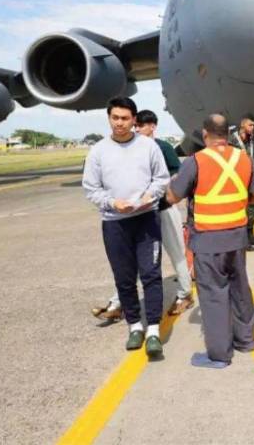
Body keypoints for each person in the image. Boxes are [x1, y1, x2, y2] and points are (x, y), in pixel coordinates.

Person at [166, 113, 254, 368]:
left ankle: (220, 355)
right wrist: (237, 202)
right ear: (226, 133)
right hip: (236, 237)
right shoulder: (242, 157)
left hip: (209, 240)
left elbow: (173, 197)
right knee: (240, 289)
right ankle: (246, 341)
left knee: (213, 296)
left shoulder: (196, 160)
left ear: (205, 133)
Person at [82, 97, 170, 357]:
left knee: (151, 274)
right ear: (109, 119)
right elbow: (90, 187)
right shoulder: (98, 151)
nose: (120, 123)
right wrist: (111, 202)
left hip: (146, 220)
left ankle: (153, 329)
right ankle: (134, 325)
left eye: (125, 118)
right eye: (115, 118)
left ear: (134, 120)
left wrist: (148, 197)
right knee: (124, 277)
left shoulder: (148, 147)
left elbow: (161, 179)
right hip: (114, 222)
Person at [91, 109, 194, 321]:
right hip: (138, 215)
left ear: (152, 127)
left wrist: (158, 193)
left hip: (163, 209)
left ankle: (185, 293)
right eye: (136, 125)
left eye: (141, 125)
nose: (137, 129)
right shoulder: (130, 149)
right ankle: (118, 301)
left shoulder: (162, 147)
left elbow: (177, 175)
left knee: (176, 253)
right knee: (131, 263)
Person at [229, 113, 254, 249]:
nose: (252, 127)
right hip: (237, 176)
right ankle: (242, 240)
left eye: (253, 125)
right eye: (250, 125)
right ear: (242, 124)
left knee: (253, 207)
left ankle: (250, 234)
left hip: (252, 175)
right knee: (241, 208)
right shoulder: (232, 138)